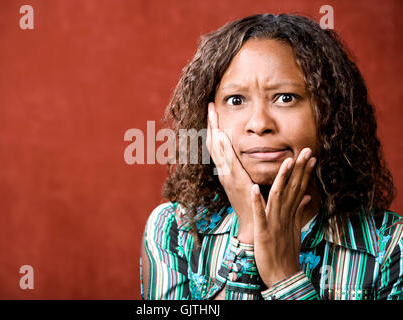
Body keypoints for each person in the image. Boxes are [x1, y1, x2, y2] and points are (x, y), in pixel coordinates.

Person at [140, 13, 402, 300]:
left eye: (285, 98)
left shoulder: (390, 247)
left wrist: (285, 278)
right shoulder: (174, 232)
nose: (259, 123)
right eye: (236, 100)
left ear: (329, 111)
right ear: (210, 118)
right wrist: (249, 237)